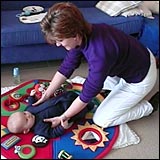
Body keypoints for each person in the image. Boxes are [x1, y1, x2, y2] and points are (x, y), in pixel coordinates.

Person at [32, 2, 158, 129]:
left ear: (75, 35)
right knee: (94, 85)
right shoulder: (83, 33)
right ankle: (118, 87)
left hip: (140, 78)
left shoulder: (99, 54)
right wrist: (47, 94)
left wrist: (63, 117)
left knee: (101, 119)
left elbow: (88, 93)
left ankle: (149, 107)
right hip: (133, 60)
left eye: (60, 40)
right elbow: (67, 66)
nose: (58, 45)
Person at [7, 90, 94, 138]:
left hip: (59, 100)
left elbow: (31, 104)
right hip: (66, 110)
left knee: (70, 94)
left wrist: (31, 97)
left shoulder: (28, 110)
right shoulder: (39, 129)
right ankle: (88, 105)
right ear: (26, 130)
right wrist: (62, 127)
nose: (28, 115)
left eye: (24, 113)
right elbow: (52, 133)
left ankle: (81, 95)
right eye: (26, 120)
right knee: (81, 110)